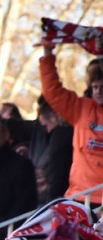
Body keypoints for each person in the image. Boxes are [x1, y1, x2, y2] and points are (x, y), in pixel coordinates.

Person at [41, 42, 103, 196]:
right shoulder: (81, 108)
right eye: (95, 87)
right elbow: (53, 91)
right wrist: (47, 54)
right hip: (81, 197)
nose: (99, 92)